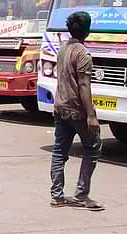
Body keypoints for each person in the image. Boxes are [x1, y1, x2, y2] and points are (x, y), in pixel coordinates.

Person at [49, 11, 103, 211]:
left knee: (59, 152)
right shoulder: (83, 54)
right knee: (93, 147)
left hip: (60, 107)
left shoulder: (63, 49)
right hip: (76, 111)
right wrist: (91, 115)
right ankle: (81, 194)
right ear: (87, 31)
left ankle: (57, 196)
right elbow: (84, 86)